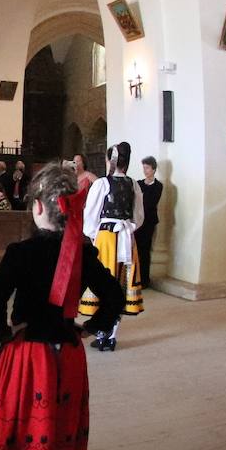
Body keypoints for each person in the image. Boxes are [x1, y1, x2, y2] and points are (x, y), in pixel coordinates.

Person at [0, 163, 124, 450]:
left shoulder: (21, 252)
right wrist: (88, 328)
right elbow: (114, 296)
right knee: (47, 431)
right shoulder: (83, 252)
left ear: (37, 207)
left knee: (18, 429)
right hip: (66, 354)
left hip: (27, 355)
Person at [80, 142, 144, 350]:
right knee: (120, 285)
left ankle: (101, 334)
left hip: (107, 237)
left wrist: (93, 235)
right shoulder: (134, 184)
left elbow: (90, 214)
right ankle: (112, 335)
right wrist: (128, 227)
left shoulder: (102, 184)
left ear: (111, 160)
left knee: (104, 283)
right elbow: (139, 217)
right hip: (126, 237)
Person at [135, 156, 163, 288]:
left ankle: (144, 280)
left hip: (149, 222)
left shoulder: (158, 186)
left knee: (145, 250)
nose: (145, 170)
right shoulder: (139, 184)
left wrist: (142, 199)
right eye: (144, 168)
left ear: (153, 169)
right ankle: (135, 278)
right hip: (137, 221)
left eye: (147, 168)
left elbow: (151, 203)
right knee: (136, 250)